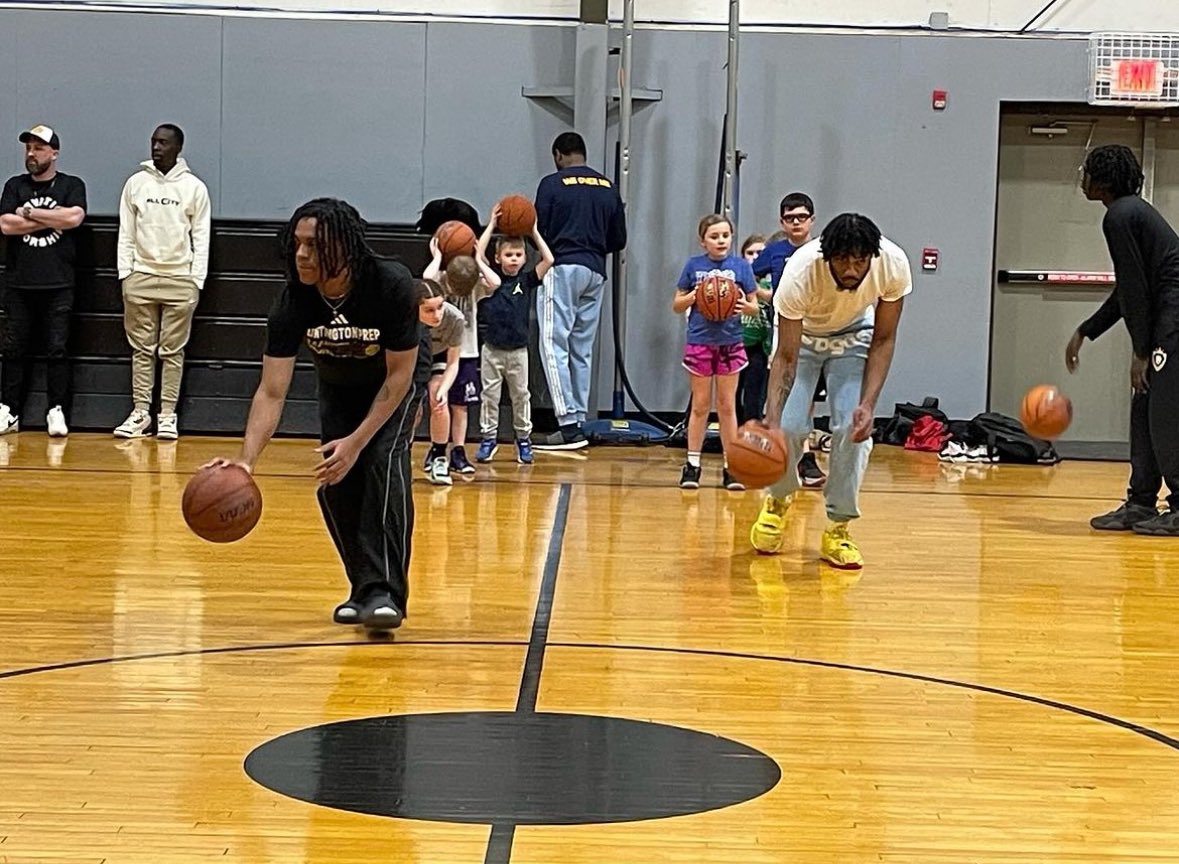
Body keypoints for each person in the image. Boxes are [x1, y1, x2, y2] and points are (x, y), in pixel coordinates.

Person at [204, 198, 428, 630]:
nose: (302, 254)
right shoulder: (293, 301)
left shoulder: (390, 284)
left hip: (393, 383)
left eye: (314, 245)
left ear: (345, 248)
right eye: (297, 244)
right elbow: (271, 390)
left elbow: (399, 375)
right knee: (336, 480)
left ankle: (387, 594)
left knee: (380, 464)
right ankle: (363, 588)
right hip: (340, 384)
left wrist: (357, 442)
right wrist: (246, 461)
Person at [750, 213, 911, 569]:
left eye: (860, 261)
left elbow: (884, 339)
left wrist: (868, 405)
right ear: (826, 256)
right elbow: (787, 357)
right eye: (842, 261)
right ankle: (777, 501)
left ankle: (838, 528)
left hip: (855, 338)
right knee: (789, 428)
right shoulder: (801, 271)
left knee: (851, 431)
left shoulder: (893, 263)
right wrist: (772, 419)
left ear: (872, 256)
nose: (852, 269)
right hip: (803, 340)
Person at [1067, 144, 1179, 536]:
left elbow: (1135, 290)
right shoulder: (1129, 213)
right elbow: (1128, 290)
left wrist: (1141, 353)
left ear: (1102, 179)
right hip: (1165, 313)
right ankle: (1141, 503)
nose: (1081, 177)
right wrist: (1087, 330)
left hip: (1174, 317)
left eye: (1087, 171)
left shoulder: (1120, 215)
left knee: (1165, 413)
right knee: (1145, 407)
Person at [114, 124, 211, 440]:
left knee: (172, 351)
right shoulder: (136, 184)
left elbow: (201, 236)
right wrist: (125, 275)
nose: (156, 147)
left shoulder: (194, 188)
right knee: (142, 350)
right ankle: (141, 413)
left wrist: (195, 280)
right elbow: (126, 233)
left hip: (179, 280)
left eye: (163, 143)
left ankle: (167, 414)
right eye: (154, 142)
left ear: (177, 148)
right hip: (140, 277)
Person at [533, 131, 628, 450]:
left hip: (561, 266)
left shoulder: (551, 184)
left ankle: (567, 424)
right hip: (595, 270)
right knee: (581, 348)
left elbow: (537, 230)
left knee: (552, 342)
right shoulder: (608, 187)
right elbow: (619, 239)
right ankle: (580, 419)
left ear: (559, 155)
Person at [0, 125, 87, 437]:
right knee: (13, 349)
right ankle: (9, 410)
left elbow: (73, 218)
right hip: (19, 283)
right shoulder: (14, 186)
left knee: (57, 349)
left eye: (38, 148)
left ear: (54, 153)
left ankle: (57, 409)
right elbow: (6, 225)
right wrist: (44, 217)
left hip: (59, 282)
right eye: (28, 148)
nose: (31, 153)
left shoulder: (71, 185)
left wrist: (29, 213)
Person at [673, 214, 760, 490]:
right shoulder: (694, 266)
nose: (721, 240)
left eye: (725, 235)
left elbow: (755, 305)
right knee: (700, 406)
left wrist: (744, 306)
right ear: (703, 241)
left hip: (731, 342)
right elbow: (676, 304)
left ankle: (730, 466)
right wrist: (695, 296)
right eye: (714, 236)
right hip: (700, 341)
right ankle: (693, 464)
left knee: (727, 405)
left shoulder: (741, 267)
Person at [753, 193, 826, 487]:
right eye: (789, 218)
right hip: (784, 323)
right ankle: (781, 455)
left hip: (817, 325)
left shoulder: (822, 250)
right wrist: (766, 297)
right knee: (783, 388)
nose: (796, 222)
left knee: (807, 393)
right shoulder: (773, 252)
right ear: (781, 222)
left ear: (811, 220)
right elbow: (748, 276)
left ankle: (804, 455)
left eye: (801, 217)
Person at [474, 204, 555, 465]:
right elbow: (478, 254)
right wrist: (491, 227)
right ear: (498, 258)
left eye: (518, 254)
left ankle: (523, 439)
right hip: (492, 349)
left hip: (518, 351)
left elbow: (549, 260)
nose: (514, 258)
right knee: (490, 396)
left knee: (521, 396)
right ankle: (489, 439)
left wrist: (533, 231)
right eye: (508, 254)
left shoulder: (527, 280)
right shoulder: (491, 279)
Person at [421, 244, 498, 478]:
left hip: (462, 351)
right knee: (426, 404)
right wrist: (439, 257)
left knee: (456, 404)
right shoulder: (439, 283)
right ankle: (431, 450)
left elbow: (495, 282)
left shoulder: (473, 287)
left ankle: (454, 451)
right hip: (431, 352)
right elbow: (426, 278)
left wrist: (479, 260)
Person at [415, 278, 465, 486]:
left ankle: (439, 456)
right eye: (429, 310)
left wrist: (443, 389)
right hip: (411, 357)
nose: (437, 315)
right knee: (411, 407)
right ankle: (398, 455)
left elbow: (453, 363)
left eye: (440, 307)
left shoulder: (455, 319)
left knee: (438, 399)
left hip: (439, 358)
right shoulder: (402, 317)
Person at [736, 233, 771, 424]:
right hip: (735, 344)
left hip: (760, 346)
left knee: (754, 397)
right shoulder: (733, 281)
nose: (755, 257)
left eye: (760, 253)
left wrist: (756, 290)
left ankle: (752, 438)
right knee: (732, 396)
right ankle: (732, 439)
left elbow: (774, 297)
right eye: (750, 253)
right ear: (743, 256)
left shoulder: (770, 282)